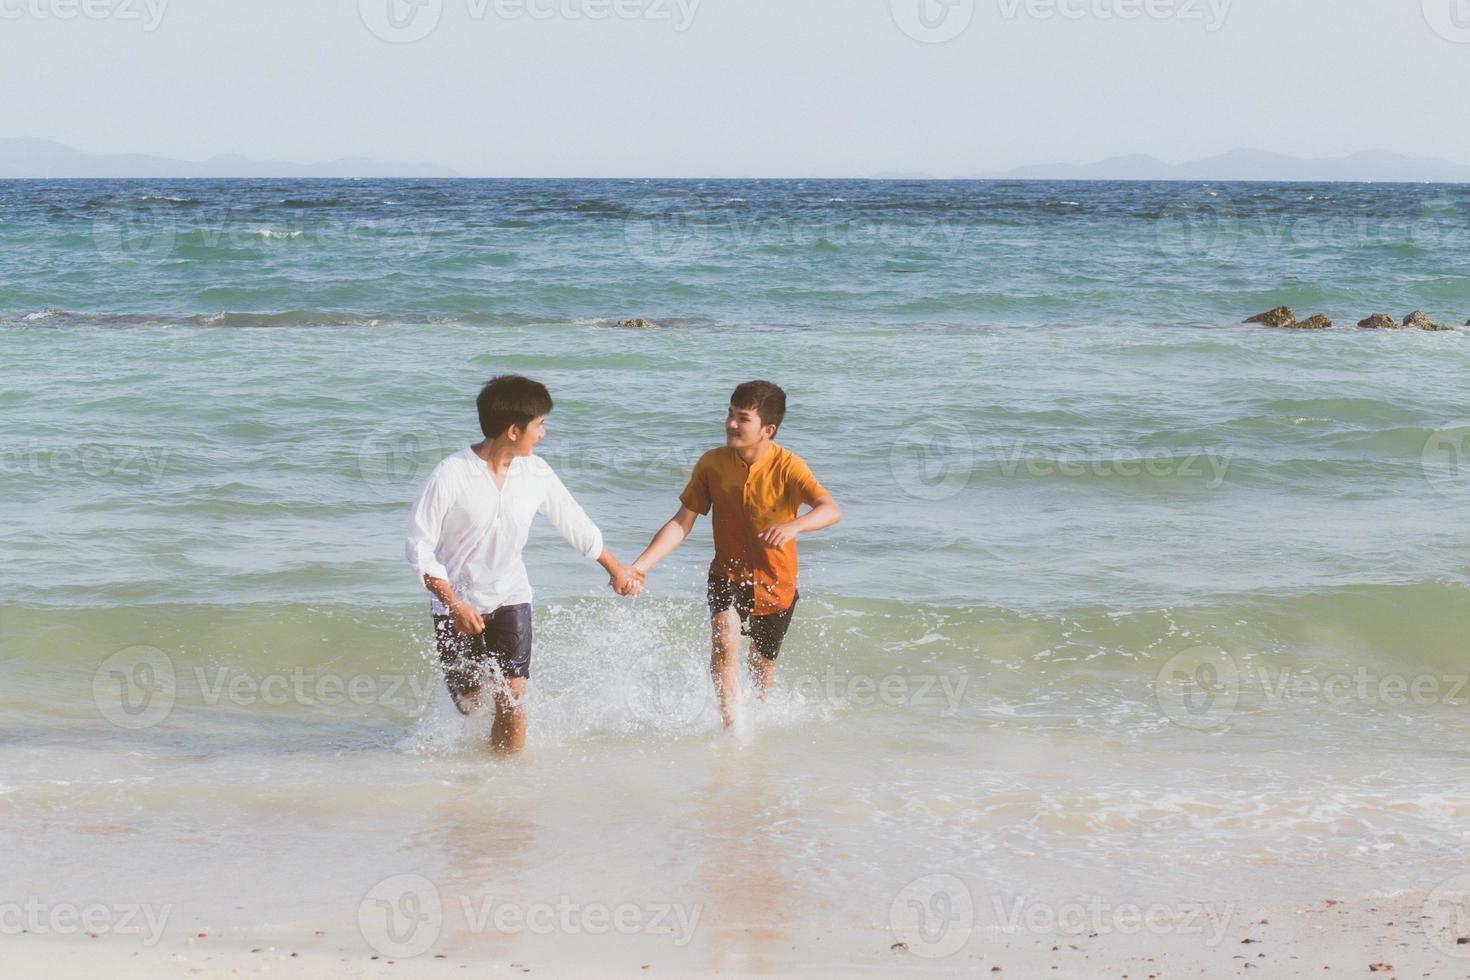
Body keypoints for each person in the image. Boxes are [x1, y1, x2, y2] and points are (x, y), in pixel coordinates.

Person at [405, 375, 643, 752]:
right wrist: (455, 605)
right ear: (514, 430)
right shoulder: (451, 475)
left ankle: (506, 786)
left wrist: (616, 568)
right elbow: (419, 548)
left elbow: (574, 521)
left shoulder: (535, 472)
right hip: (457, 604)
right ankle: (474, 770)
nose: (543, 434)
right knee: (470, 705)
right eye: (539, 425)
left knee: (513, 697)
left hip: (511, 596)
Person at [629, 381, 841, 728]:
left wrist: (794, 527)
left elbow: (830, 509)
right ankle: (732, 727)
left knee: (762, 665)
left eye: (742, 419)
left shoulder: (789, 467)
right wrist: (640, 567)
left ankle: (761, 714)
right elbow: (682, 522)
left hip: (776, 584)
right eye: (730, 414)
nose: (730, 424)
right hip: (727, 574)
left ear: (767, 430)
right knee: (724, 643)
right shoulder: (712, 464)